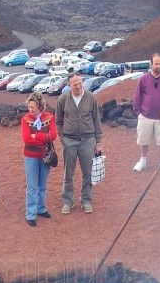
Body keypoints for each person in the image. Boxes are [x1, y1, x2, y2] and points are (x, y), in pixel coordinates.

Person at [56, 71, 103, 215]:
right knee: (68, 173)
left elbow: (96, 120)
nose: (78, 86)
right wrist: (63, 139)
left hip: (87, 141)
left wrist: (98, 141)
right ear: (69, 85)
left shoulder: (90, 97)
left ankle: (86, 200)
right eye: (75, 84)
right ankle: (68, 202)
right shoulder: (63, 99)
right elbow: (58, 121)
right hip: (69, 141)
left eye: (80, 83)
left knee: (87, 173)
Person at [132, 53, 160, 175]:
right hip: (145, 116)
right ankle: (143, 160)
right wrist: (138, 112)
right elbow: (137, 97)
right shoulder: (144, 79)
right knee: (143, 140)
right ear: (151, 64)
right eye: (156, 64)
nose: (158, 66)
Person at [21, 91, 58, 227]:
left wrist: (36, 136)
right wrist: (43, 137)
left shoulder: (50, 117)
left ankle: (40, 209)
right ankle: (30, 214)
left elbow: (53, 136)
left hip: (45, 156)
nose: (30, 110)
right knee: (32, 186)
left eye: (33, 107)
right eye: (29, 107)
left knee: (42, 185)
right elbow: (26, 139)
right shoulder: (25, 119)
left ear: (40, 106)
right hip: (31, 156)